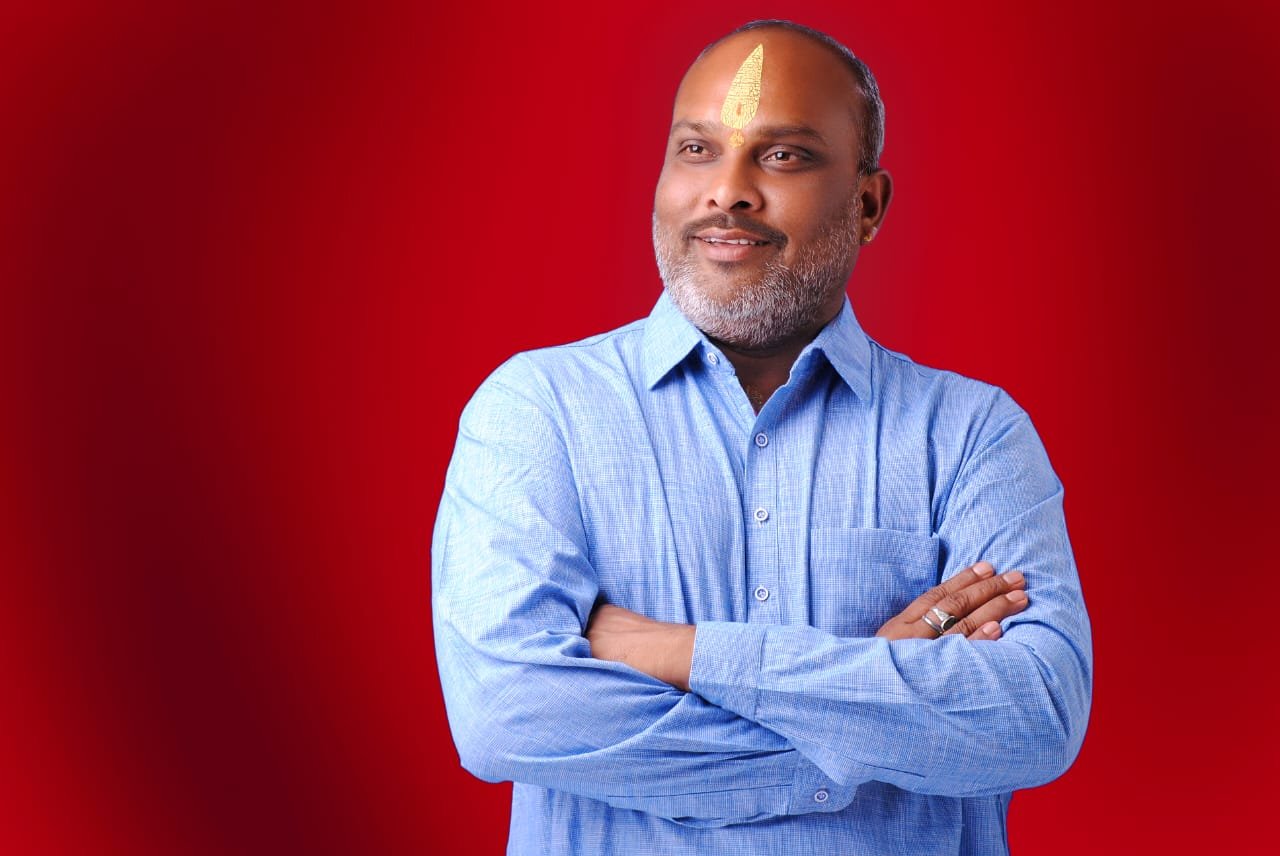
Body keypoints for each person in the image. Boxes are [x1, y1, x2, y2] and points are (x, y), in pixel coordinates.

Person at [432, 19, 1091, 855]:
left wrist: (680, 652)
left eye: (783, 155)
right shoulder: (538, 410)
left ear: (867, 205)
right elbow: (508, 712)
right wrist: (853, 731)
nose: (728, 192)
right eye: (697, 150)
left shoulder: (970, 435)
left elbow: (1034, 713)